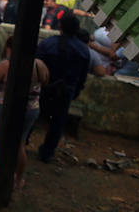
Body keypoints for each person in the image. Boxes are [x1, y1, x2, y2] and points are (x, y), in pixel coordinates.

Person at [0, 36, 49, 190]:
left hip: (1, 108)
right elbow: (45, 84)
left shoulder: (5, 65)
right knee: (20, 144)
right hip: (30, 110)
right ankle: (18, 179)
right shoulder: (40, 65)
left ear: (9, 48)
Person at [35, 13, 90, 163]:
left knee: (33, 116)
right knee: (57, 123)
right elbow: (82, 76)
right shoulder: (84, 50)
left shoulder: (47, 44)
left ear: (60, 26)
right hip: (66, 91)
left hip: (45, 88)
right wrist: (76, 91)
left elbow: (36, 66)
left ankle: (22, 143)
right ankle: (47, 152)